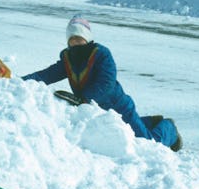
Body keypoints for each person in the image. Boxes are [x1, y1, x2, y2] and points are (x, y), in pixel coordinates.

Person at [23, 15, 181, 151]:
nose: (75, 43)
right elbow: (47, 74)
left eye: (79, 38)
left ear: (87, 38)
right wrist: (17, 81)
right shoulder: (68, 58)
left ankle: (169, 128)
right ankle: (150, 121)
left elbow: (107, 83)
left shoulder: (101, 55)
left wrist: (85, 98)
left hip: (119, 107)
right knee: (125, 133)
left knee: (146, 143)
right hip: (97, 111)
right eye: (72, 39)